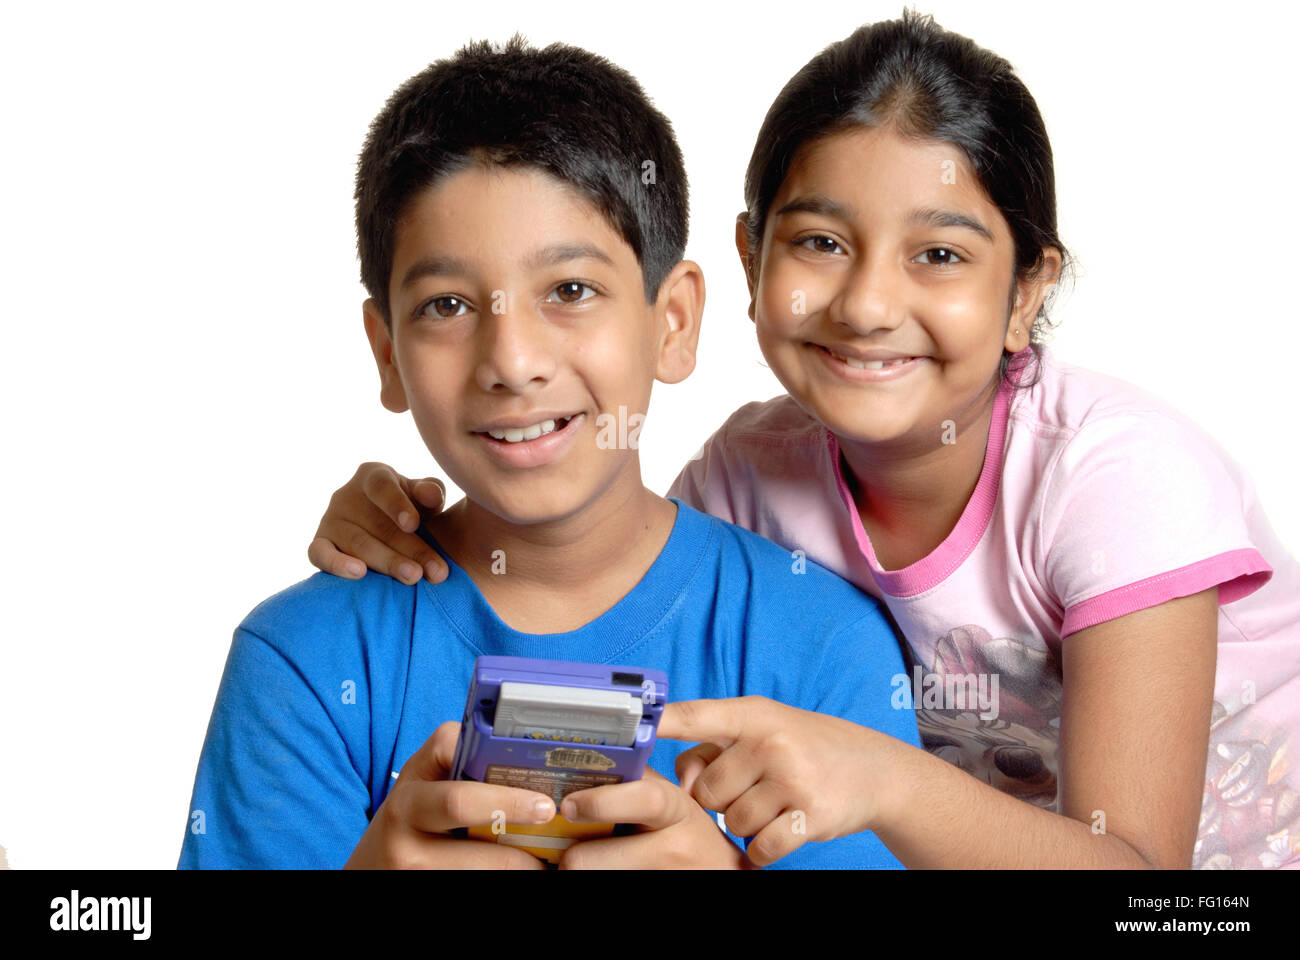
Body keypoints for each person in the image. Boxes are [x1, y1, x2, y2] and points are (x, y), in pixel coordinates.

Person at [305, 11, 1300, 869]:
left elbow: (1146, 884)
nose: (867, 304)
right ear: (749, 256)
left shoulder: (1118, 482)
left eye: (939, 254)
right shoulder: (749, 476)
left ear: (1026, 291)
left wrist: (885, 784)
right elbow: (598, 555)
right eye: (820, 243)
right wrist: (404, 516)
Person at [177, 35, 920, 870]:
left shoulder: (824, 646)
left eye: (570, 291)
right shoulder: (303, 662)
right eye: (448, 304)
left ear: (672, 323)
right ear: (387, 353)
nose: (512, 360)